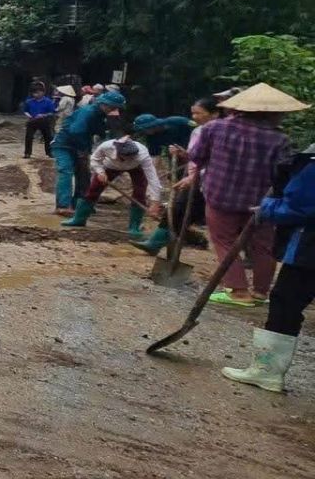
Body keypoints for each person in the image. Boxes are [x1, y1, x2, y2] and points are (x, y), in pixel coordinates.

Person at [189, 83, 299, 309]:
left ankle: (238, 291)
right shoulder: (280, 140)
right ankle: (260, 292)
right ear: (270, 113)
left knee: (224, 241)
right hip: (261, 203)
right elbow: (284, 175)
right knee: (263, 245)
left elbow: (197, 156)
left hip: (220, 196)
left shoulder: (215, 128)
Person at [221, 139, 315, 393]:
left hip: (310, 249)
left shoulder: (313, 163)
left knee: (286, 301)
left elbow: (299, 207)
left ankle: (267, 371)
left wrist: (267, 208)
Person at [136, 95, 223, 256]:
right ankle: (156, 242)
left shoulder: (219, 132)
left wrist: (192, 175)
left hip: (211, 179)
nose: (194, 117)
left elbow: (214, 159)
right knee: (179, 209)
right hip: (194, 174)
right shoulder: (199, 130)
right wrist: (184, 155)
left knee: (185, 210)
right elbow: (195, 156)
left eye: (199, 113)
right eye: (193, 113)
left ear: (215, 114)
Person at [64, 134, 164, 237]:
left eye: (131, 157)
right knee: (94, 189)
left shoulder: (143, 155)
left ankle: (134, 227)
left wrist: (155, 202)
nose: (127, 160)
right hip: (110, 166)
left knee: (140, 192)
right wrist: (100, 172)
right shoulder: (106, 146)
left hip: (136, 168)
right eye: (125, 157)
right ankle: (79, 219)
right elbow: (95, 159)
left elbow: (153, 178)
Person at [48, 88, 123, 214]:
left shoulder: (101, 115)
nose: (113, 110)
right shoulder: (87, 112)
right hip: (64, 144)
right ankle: (63, 206)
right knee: (66, 171)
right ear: (104, 104)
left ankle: (80, 204)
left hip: (82, 145)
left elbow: (103, 133)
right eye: (112, 107)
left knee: (84, 175)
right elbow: (76, 131)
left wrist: (112, 122)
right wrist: (82, 149)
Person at [21, 81, 59, 158]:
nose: (35, 95)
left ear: (43, 92)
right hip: (32, 121)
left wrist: (43, 115)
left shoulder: (48, 101)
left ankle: (49, 152)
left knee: (48, 137)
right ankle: (27, 153)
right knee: (29, 137)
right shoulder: (29, 101)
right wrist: (29, 115)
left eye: (38, 93)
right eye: (34, 93)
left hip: (44, 121)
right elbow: (25, 111)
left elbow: (52, 112)